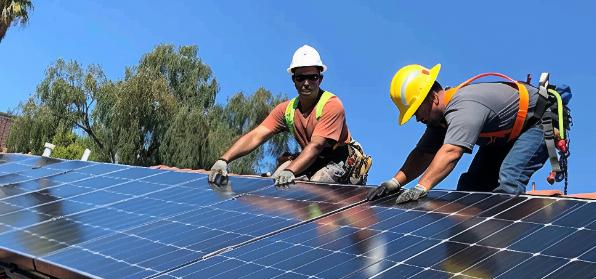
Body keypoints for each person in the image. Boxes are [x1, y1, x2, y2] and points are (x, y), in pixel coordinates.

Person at [368, 64, 563, 204]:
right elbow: (423, 154)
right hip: (506, 137)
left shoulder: (464, 107)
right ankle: (477, 241)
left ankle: (505, 247)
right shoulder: (440, 120)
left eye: (417, 111)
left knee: (509, 181)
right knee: (470, 187)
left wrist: (421, 187)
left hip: (537, 123)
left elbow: (452, 151)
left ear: (433, 98)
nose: (418, 119)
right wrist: (395, 182)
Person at [208, 45, 370, 187]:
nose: (306, 83)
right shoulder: (286, 110)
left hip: (341, 160)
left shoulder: (332, 105)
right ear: (294, 80)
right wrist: (224, 160)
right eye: (301, 78)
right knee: (275, 183)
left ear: (320, 79)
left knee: (312, 190)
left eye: (312, 77)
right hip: (313, 159)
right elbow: (257, 135)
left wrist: (291, 170)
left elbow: (316, 146)